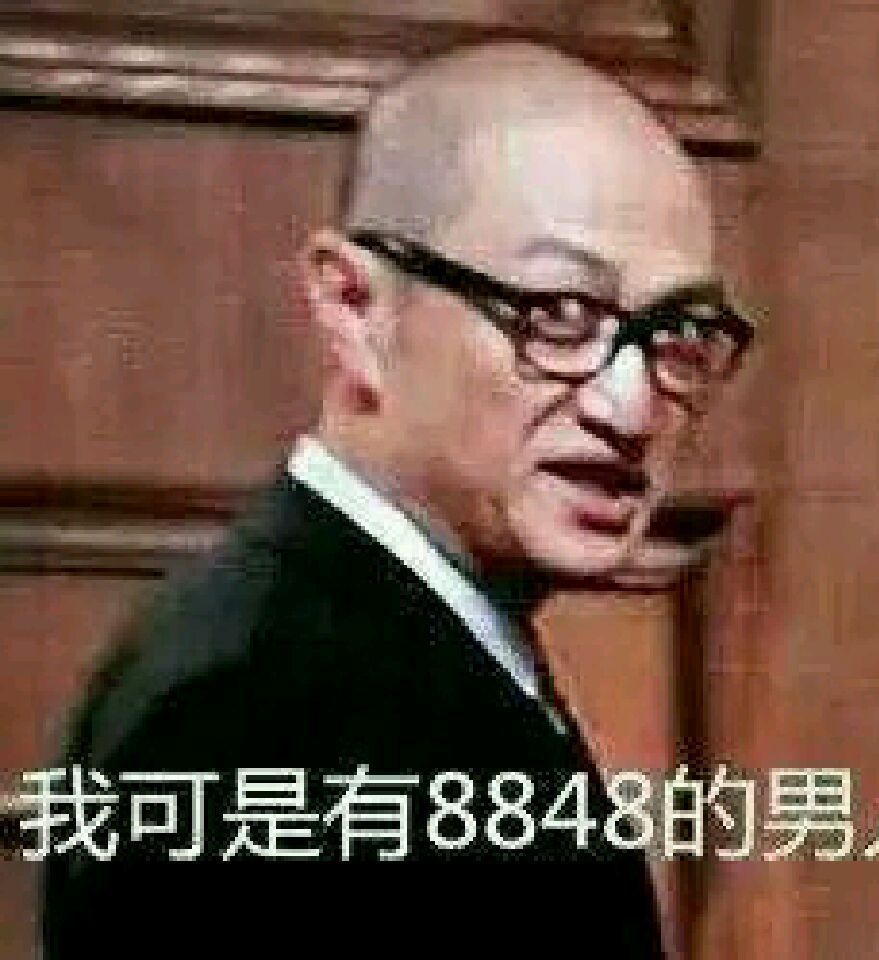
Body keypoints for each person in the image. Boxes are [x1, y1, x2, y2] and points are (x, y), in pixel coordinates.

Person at [40, 41, 753, 956]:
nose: (632, 405)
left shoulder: (386, 649)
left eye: (677, 332)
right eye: (559, 315)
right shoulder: (252, 709)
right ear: (354, 308)